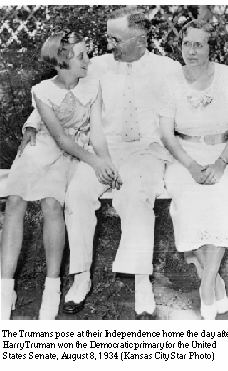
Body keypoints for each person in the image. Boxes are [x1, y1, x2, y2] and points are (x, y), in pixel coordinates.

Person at [19, 7, 181, 319]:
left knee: (136, 196)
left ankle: (141, 281)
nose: (107, 44)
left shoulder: (167, 68)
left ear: (139, 38)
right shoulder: (96, 68)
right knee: (77, 193)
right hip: (103, 149)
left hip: (146, 151)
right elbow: (59, 93)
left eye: (115, 38)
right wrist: (30, 124)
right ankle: (81, 278)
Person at [1, 31, 119, 320]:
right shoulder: (42, 91)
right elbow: (56, 136)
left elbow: (96, 134)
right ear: (63, 61)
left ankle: (51, 288)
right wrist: (30, 130)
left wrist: (103, 162)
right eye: (81, 56)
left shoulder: (92, 86)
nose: (87, 60)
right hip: (42, 148)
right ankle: (5, 289)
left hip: (70, 155)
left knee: (52, 204)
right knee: (15, 201)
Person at [158, 20, 228, 320]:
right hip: (184, 157)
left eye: (199, 44)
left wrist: (221, 163)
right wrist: (193, 166)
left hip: (224, 155)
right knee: (187, 201)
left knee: (219, 198)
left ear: (212, 47)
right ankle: (216, 282)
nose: (191, 50)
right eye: (187, 43)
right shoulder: (170, 80)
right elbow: (167, 135)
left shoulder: (227, 76)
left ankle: (206, 284)